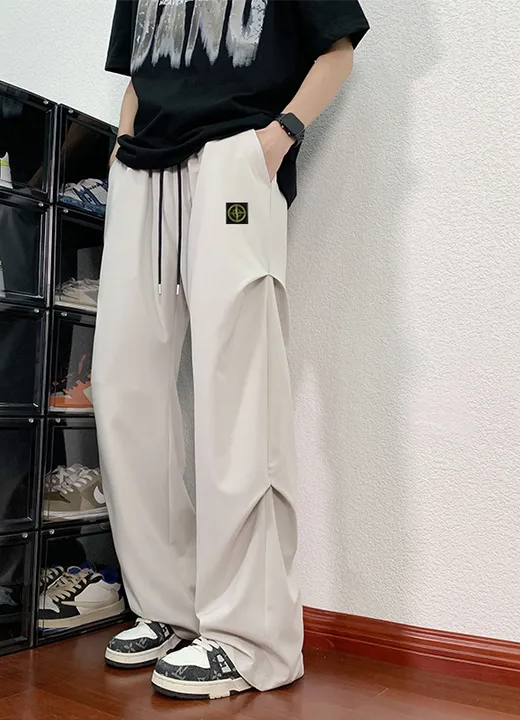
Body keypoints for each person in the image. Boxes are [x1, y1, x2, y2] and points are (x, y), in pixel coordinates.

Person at [92, 0, 370, 701]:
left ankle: (252, 637)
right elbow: (139, 72)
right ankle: (166, 607)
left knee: (238, 389)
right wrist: (122, 145)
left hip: (233, 164)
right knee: (123, 389)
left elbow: (337, 49)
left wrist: (277, 138)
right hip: (142, 168)